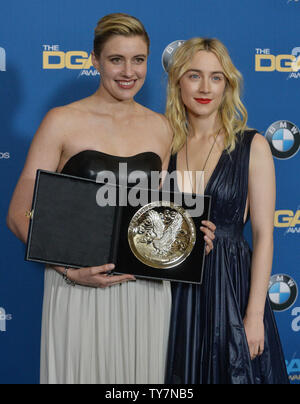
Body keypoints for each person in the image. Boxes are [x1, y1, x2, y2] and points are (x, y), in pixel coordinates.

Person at [6, 14, 215, 384]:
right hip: (77, 286)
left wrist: (194, 238)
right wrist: (68, 272)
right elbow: (19, 213)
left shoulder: (163, 127)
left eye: (138, 60)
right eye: (116, 59)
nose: (128, 72)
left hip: (144, 289)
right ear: (95, 60)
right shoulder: (61, 121)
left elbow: (167, 211)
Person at [164, 37, 289, 384]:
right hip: (175, 294)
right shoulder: (164, 146)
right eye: (194, 76)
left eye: (216, 77)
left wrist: (254, 314)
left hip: (231, 288)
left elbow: (264, 235)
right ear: (177, 81)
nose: (205, 88)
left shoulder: (253, 145)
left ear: (227, 85)